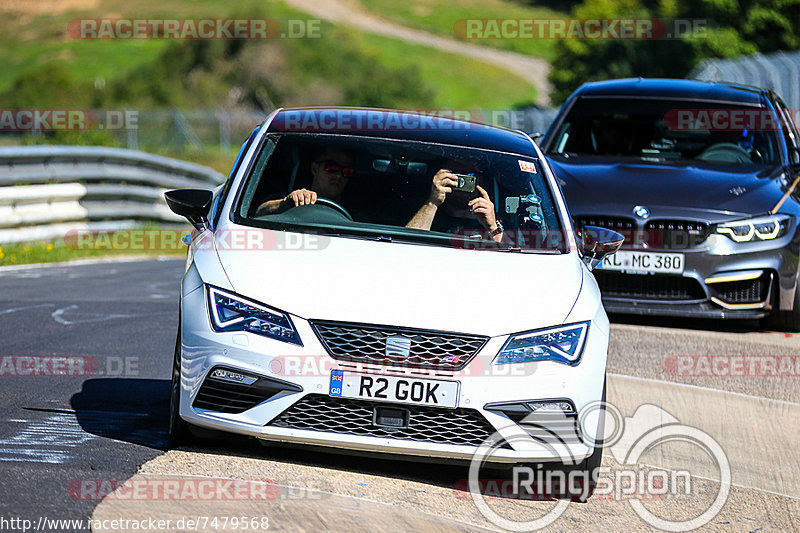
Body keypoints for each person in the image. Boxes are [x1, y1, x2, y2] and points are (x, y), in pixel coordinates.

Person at [406, 166, 504, 243]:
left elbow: (509, 255)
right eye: (454, 174)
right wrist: (432, 202)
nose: (460, 182)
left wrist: (492, 228)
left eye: (469, 175)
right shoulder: (426, 214)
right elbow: (406, 246)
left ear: (480, 180)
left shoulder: (492, 220)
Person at [255, 147, 354, 216]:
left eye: (346, 172)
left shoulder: (355, 213)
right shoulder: (291, 199)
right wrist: (286, 203)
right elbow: (260, 212)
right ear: (314, 169)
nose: (338, 176)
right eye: (331, 167)